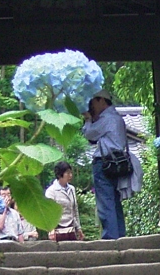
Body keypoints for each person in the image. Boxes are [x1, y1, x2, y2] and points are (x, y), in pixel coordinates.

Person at [82, 92, 128, 240]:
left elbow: (90, 134)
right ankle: (120, 236)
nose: (92, 107)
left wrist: (88, 120)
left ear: (101, 100)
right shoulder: (117, 119)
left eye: (93, 103)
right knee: (115, 202)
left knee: (105, 202)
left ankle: (110, 239)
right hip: (118, 163)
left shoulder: (107, 119)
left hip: (104, 163)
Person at [45, 160, 84, 241]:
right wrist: (51, 229)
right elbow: (48, 212)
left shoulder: (72, 189)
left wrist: (79, 228)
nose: (70, 176)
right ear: (60, 174)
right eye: (68, 173)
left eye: (71, 173)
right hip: (58, 229)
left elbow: (74, 209)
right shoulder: (51, 191)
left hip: (71, 228)